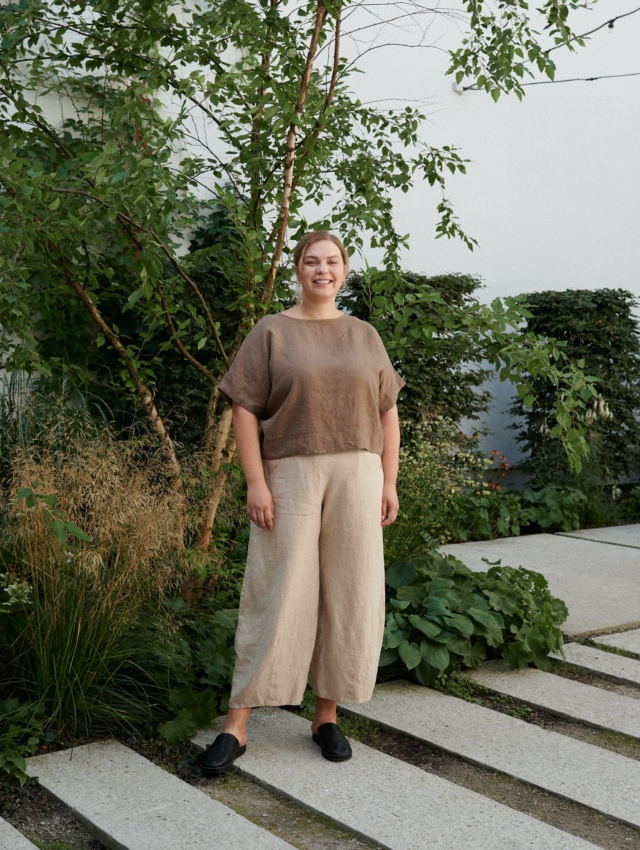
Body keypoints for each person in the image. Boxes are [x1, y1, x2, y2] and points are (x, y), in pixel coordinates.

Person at [198, 231, 404, 775]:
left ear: (344, 269)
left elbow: (388, 412)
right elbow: (244, 408)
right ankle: (236, 725)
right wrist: (255, 482)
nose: (322, 270)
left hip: (358, 473)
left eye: (332, 262)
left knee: (350, 589)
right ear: (297, 269)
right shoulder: (271, 332)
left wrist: (389, 481)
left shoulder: (364, 335)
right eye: (312, 261)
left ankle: (326, 716)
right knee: (276, 588)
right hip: (289, 471)